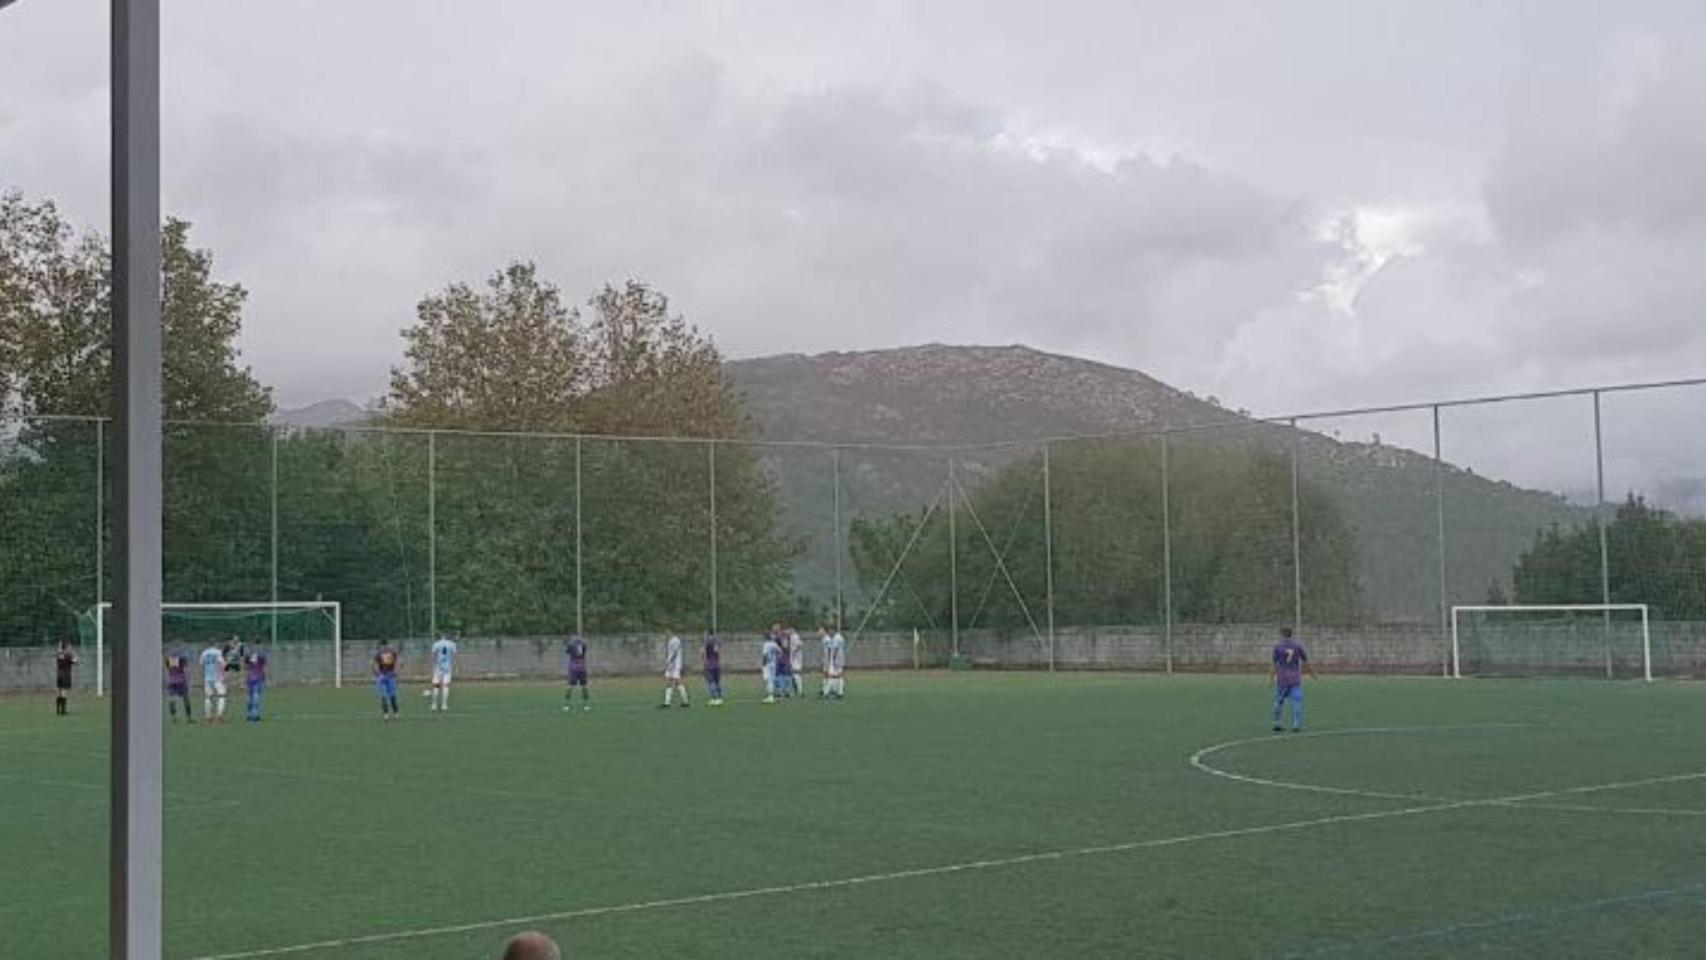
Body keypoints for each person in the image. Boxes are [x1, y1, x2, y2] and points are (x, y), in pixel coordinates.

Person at [1272, 626, 1316, 732]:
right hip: (1295, 679)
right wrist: (1312, 674)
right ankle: (1296, 724)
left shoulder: (1278, 647)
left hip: (1282, 679)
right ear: (1291, 635)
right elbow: (1305, 662)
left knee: (1279, 701)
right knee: (1297, 702)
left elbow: (1274, 664)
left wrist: (1271, 677)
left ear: (1282, 635)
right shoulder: (1297, 647)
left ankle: (1277, 723)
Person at [200, 640, 228, 724]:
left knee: (208, 697)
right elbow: (222, 664)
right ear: (215, 644)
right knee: (222, 696)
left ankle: (208, 717)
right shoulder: (218, 652)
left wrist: (204, 676)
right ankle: (219, 717)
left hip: (207, 678)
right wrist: (223, 675)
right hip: (217, 677)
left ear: (208, 644)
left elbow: (202, 665)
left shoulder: (204, 653)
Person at [428, 632, 458, 712]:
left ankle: (434, 705)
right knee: (446, 686)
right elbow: (455, 656)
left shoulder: (436, 644)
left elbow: (433, 656)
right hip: (448, 667)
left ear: (441, 637)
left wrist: (433, 666)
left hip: (438, 667)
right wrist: (456, 666)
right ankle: (444, 705)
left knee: (436, 686)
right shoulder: (452, 644)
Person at [660, 631, 690, 708]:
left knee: (676, 682)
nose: (666, 634)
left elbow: (675, 653)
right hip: (671, 664)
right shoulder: (670, 641)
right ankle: (668, 702)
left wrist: (670, 662)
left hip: (675, 665)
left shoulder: (675, 641)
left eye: (667, 632)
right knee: (670, 682)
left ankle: (684, 701)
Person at [164, 644, 194, 723]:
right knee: (186, 699)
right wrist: (189, 679)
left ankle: (174, 717)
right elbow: (185, 669)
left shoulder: (169, 658)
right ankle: (189, 718)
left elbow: (168, 668)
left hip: (172, 680)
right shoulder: (182, 657)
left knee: (172, 699)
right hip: (181, 680)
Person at [374, 640, 401, 721]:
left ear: (387, 645)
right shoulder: (378, 654)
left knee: (392, 696)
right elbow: (375, 665)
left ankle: (396, 713)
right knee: (383, 696)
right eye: (382, 646)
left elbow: (399, 663)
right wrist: (378, 674)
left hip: (390, 676)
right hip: (382, 676)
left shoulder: (393, 653)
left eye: (385, 646)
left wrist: (396, 672)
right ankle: (386, 714)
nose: (383, 648)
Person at [563, 634, 590, 712]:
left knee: (570, 687)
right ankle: (586, 705)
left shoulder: (571, 645)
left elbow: (567, 651)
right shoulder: (583, 645)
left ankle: (567, 705)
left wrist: (568, 644)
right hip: (582, 668)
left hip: (573, 668)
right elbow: (584, 649)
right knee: (584, 687)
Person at [243, 643, 269, 722]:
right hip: (259, 677)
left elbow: (245, 667)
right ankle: (255, 716)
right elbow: (264, 667)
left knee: (250, 697)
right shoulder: (262, 655)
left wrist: (244, 678)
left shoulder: (248, 655)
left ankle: (249, 715)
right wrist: (266, 678)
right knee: (256, 696)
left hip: (250, 678)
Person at [820, 624, 847, 700]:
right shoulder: (840, 637)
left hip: (835, 660)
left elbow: (835, 650)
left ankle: (827, 693)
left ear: (833, 630)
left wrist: (832, 660)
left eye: (830, 630)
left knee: (831, 676)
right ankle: (839, 693)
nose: (829, 632)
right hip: (840, 659)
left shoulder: (836, 638)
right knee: (839, 676)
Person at [54, 640, 76, 716]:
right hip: (65, 676)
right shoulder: (68, 655)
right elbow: (75, 661)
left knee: (59, 692)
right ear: (66, 647)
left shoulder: (59, 654)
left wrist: (60, 648)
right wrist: (74, 655)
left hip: (59, 675)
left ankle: (58, 710)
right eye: (69, 646)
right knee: (64, 692)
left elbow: (61, 659)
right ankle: (63, 711)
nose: (71, 648)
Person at [760, 630, 783, 704]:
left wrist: (764, 663)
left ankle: (770, 696)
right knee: (771, 680)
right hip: (773, 663)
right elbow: (780, 652)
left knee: (767, 680)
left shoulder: (766, 645)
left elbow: (765, 655)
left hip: (768, 664)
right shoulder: (774, 644)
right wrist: (777, 658)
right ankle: (771, 695)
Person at [702, 631, 724, 706]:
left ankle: (714, 698)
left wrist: (705, 662)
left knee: (711, 682)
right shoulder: (716, 643)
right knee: (717, 682)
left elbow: (703, 654)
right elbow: (718, 651)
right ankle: (720, 698)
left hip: (709, 666)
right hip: (717, 665)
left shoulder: (707, 643)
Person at [787, 626, 806, 696]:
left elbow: (800, 645)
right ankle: (796, 690)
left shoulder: (795, 637)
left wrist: (795, 651)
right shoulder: (791, 637)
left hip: (796, 659)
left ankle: (800, 691)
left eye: (788, 630)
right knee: (793, 675)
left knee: (796, 674)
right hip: (793, 658)